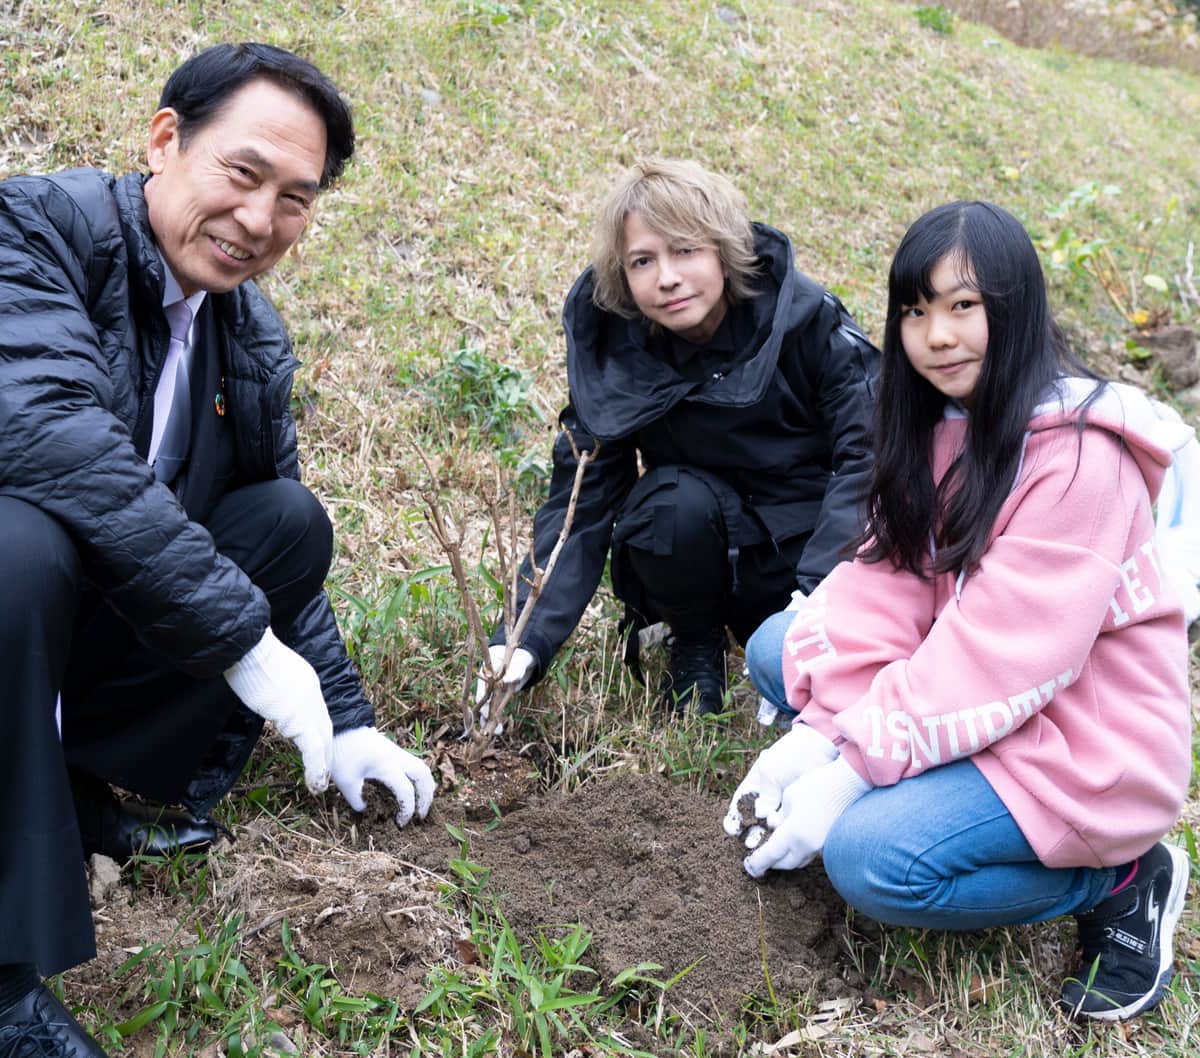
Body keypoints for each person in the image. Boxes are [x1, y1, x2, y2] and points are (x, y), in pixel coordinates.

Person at [0, 44, 434, 1056]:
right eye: (243, 175)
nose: (259, 222)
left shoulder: (246, 336)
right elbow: (51, 431)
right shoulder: (33, 228)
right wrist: (244, 641)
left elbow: (265, 553)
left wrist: (350, 714)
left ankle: (75, 795)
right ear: (165, 139)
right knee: (18, 544)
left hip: (69, 645)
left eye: (296, 197)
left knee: (285, 521)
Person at [724, 200, 1194, 1022]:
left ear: (1016, 308)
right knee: (781, 645)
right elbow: (884, 584)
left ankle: (1119, 876)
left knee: (871, 859)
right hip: (981, 684)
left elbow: (1003, 657)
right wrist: (822, 730)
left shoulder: (1081, 458)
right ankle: (906, 755)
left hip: (1077, 731)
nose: (937, 335)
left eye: (963, 306)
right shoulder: (943, 427)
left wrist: (853, 770)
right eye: (915, 310)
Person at [478, 159, 878, 717]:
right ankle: (694, 642)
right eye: (643, 260)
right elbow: (581, 503)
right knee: (667, 508)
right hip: (697, 544)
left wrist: (820, 594)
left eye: (685, 250)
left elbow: (871, 456)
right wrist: (520, 640)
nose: (666, 277)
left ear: (723, 249)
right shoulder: (618, 353)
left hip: (804, 553)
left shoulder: (808, 321)